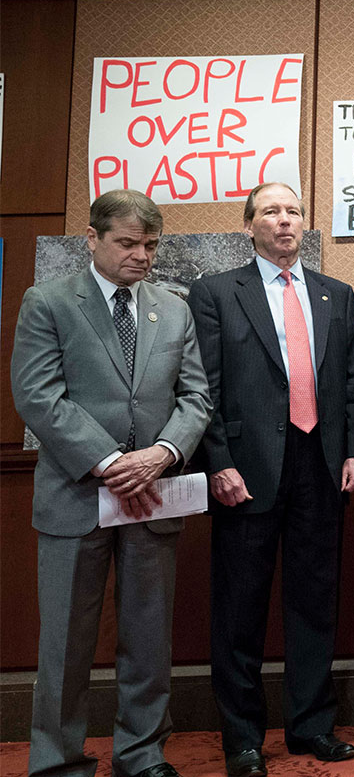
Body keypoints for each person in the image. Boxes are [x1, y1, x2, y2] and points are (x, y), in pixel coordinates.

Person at [12, 190, 210, 777]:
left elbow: (197, 397)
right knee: (66, 646)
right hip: (76, 496)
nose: (141, 255)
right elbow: (38, 397)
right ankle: (57, 762)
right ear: (93, 238)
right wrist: (108, 462)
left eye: (150, 244)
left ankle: (141, 755)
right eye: (127, 243)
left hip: (152, 494)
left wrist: (162, 453)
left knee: (148, 641)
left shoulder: (173, 308)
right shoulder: (47, 301)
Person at [187, 182, 354, 777]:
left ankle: (311, 725)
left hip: (321, 465)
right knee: (240, 608)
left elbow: (350, 383)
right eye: (272, 211)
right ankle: (242, 738)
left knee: (314, 600)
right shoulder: (216, 293)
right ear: (250, 225)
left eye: (293, 211)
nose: (285, 220)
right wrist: (218, 461)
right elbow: (202, 387)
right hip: (245, 471)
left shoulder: (335, 295)